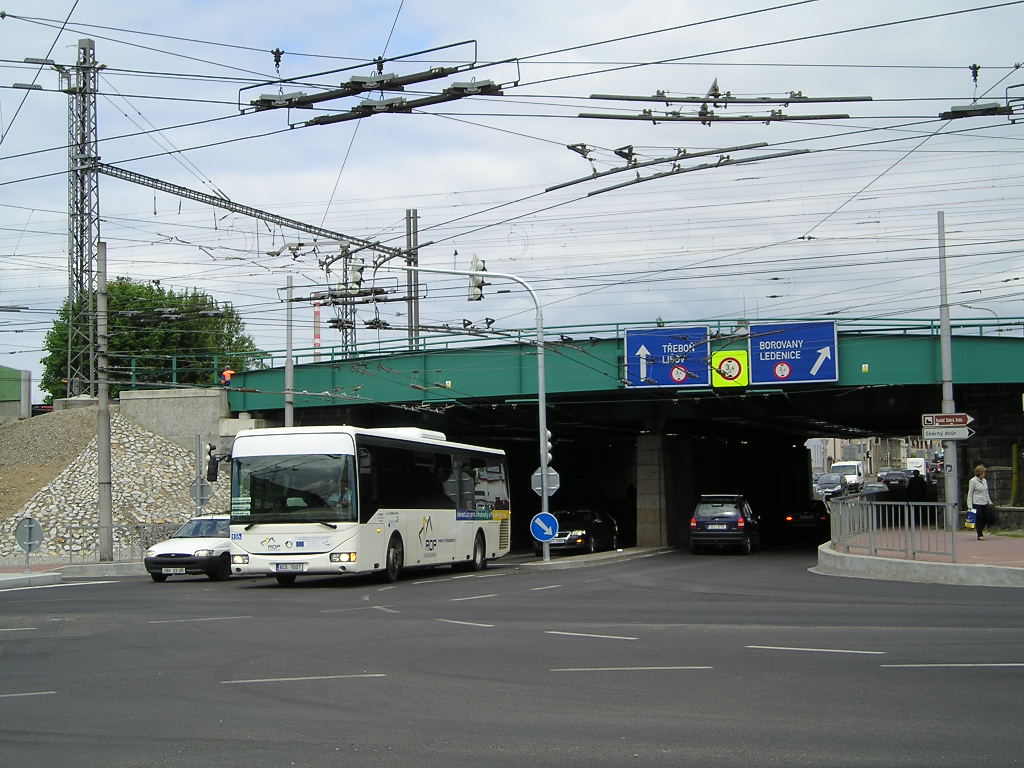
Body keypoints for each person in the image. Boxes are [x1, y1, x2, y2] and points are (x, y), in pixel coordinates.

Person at [966, 465, 992, 539]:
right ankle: (979, 534)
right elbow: (970, 494)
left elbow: (986, 492)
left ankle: (980, 531)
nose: (985, 473)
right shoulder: (973, 481)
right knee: (979, 518)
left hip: (984, 502)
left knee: (986, 518)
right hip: (976, 503)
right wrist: (970, 506)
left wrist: (989, 501)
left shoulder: (984, 480)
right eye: (984, 472)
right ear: (980, 472)